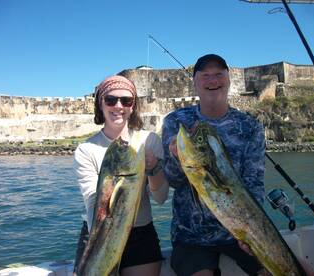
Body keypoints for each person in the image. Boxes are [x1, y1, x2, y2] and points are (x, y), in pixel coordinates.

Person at [162, 53, 283, 276]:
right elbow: (174, 181)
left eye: (218, 74)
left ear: (229, 79)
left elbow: (253, 185)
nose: (212, 80)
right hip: (191, 236)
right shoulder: (176, 121)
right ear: (195, 82)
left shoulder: (250, 127)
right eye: (205, 75)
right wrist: (174, 157)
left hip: (239, 232)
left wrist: (252, 234)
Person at [73, 75, 169, 276]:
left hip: (140, 233)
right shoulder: (86, 150)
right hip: (99, 232)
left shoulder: (149, 141)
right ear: (101, 103)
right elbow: (93, 204)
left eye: (126, 100)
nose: (119, 106)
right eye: (111, 100)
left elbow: (160, 198)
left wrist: (153, 168)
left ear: (133, 106)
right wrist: (101, 247)